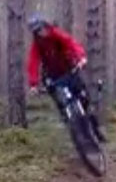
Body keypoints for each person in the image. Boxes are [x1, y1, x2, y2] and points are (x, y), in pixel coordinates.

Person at [26, 14, 105, 142]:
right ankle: (70, 124)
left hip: (69, 70)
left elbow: (71, 43)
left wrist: (81, 58)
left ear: (45, 25)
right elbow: (33, 62)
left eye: (40, 28)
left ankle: (95, 130)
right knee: (59, 99)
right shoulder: (37, 44)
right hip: (53, 76)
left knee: (84, 99)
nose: (40, 32)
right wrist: (33, 84)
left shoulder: (56, 34)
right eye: (36, 31)